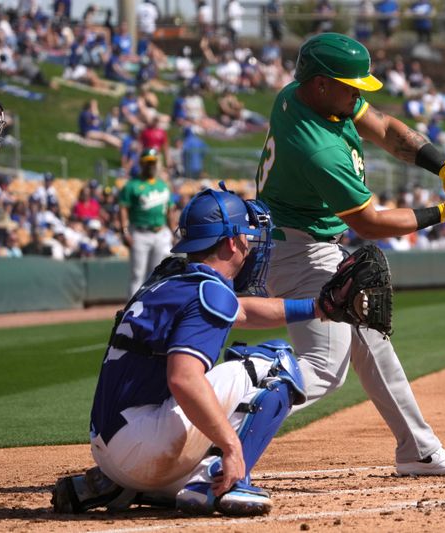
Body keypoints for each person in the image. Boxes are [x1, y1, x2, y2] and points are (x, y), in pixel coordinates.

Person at [255, 33, 445, 476]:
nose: (358, 92)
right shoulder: (318, 149)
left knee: (373, 341)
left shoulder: (306, 96)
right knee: (322, 370)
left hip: (304, 244)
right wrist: (442, 212)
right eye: (349, 84)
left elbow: (384, 127)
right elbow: (369, 223)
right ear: (319, 84)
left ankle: (417, 449)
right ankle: (210, 426)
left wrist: (442, 166)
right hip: (300, 253)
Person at [50, 185, 332, 516]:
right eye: (246, 236)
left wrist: (320, 307)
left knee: (206, 389)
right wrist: (230, 446)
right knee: (276, 363)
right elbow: (183, 379)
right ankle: (214, 483)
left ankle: (118, 486)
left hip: (111, 446)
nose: (249, 244)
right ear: (230, 242)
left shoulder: (171, 280)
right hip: (143, 445)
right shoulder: (208, 292)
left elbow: (242, 311)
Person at [119, 148, 174, 296]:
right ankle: (132, 311)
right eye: (147, 163)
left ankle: (153, 308)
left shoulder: (162, 185)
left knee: (157, 274)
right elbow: (123, 208)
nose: (150, 165)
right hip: (140, 232)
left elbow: (169, 210)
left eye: (153, 162)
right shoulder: (132, 185)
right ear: (141, 164)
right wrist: (124, 231)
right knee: (137, 274)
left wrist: (173, 230)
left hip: (160, 232)